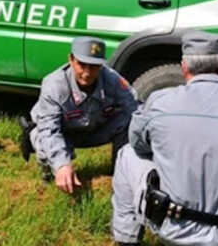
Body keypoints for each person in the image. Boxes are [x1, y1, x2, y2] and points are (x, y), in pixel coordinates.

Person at [111, 30, 218, 245]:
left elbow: (137, 143)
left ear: (184, 67)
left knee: (127, 154)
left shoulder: (161, 102)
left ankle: (126, 239)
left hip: (176, 229)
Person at [21, 36, 138, 194]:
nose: (87, 73)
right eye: (82, 65)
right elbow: (49, 131)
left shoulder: (112, 79)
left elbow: (136, 108)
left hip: (96, 129)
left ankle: (121, 172)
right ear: (71, 59)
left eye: (94, 66)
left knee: (131, 120)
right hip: (64, 134)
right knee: (41, 140)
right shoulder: (54, 85)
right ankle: (49, 175)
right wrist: (62, 166)